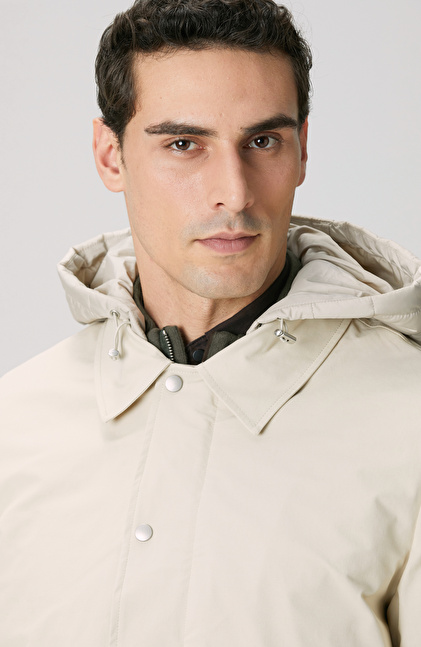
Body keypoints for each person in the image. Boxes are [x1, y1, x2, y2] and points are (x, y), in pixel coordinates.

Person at [1, 0, 420, 644]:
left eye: (263, 141)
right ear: (110, 156)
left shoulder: (407, 423)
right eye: (184, 144)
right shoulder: (16, 423)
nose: (235, 192)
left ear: (302, 150)